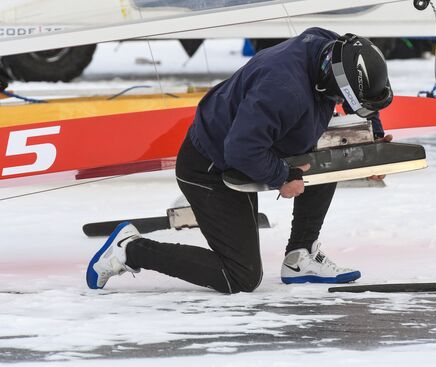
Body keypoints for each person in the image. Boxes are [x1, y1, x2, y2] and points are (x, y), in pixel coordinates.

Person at [86, 27, 393, 294]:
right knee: (240, 276)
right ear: (331, 83)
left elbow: (360, 91)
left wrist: (372, 137)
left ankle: (301, 256)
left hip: (256, 142)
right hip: (210, 166)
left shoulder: (331, 47)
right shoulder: (284, 91)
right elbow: (242, 150)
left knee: (331, 157)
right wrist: (282, 177)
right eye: (344, 100)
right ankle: (131, 249)